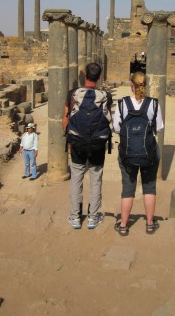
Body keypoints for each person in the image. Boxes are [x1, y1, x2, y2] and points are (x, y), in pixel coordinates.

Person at [112, 71, 164, 236]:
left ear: (131, 86)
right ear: (145, 85)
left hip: (127, 153)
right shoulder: (153, 104)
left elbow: (116, 128)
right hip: (149, 152)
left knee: (128, 188)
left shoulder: (122, 104)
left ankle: (124, 225)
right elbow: (159, 127)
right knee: (149, 186)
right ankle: (149, 224)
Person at [63, 63, 113, 230]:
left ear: (84, 75)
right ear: (99, 77)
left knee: (76, 177)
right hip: (98, 143)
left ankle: (75, 217)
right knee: (96, 177)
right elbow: (107, 118)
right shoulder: (106, 96)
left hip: (77, 142)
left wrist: (70, 137)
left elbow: (65, 118)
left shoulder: (73, 94)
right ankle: (93, 217)